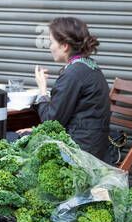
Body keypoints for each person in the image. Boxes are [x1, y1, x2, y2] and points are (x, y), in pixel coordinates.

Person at [33, 17, 112, 159]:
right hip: (93, 146)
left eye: (52, 42)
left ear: (64, 46)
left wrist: (42, 91)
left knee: (10, 139)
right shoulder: (89, 66)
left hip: (78, 153)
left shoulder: (73, 74)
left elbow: (51, 122)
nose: (50, 47)